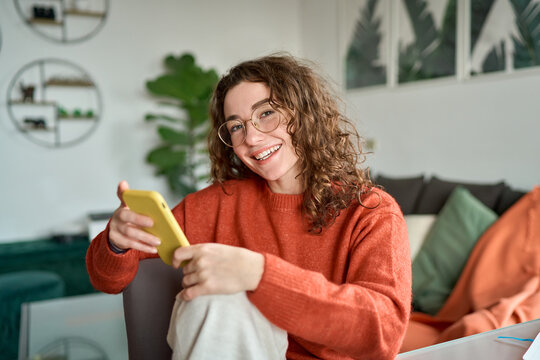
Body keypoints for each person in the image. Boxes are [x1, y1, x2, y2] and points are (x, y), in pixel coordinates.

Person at [86, 54, 411, 360]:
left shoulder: (371, 213)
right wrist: (116, 242)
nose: (251, 138)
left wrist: (258, 275)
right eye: (236, 126)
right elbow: (107, 280)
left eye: (266, 113)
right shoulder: (216, 204)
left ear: (303, 113)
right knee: (215, 298)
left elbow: (383, 331)